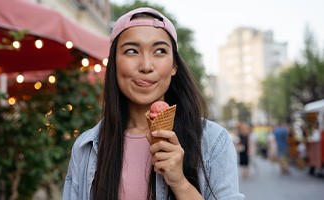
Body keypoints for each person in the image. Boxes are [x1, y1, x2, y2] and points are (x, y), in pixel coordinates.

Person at [63, 7, 244, 200]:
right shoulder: (86, 147)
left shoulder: (212, 140)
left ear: (174, 65)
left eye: (159, 51)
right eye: (132, 51)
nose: (146, 66)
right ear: (114, 63)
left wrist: (179, 182)